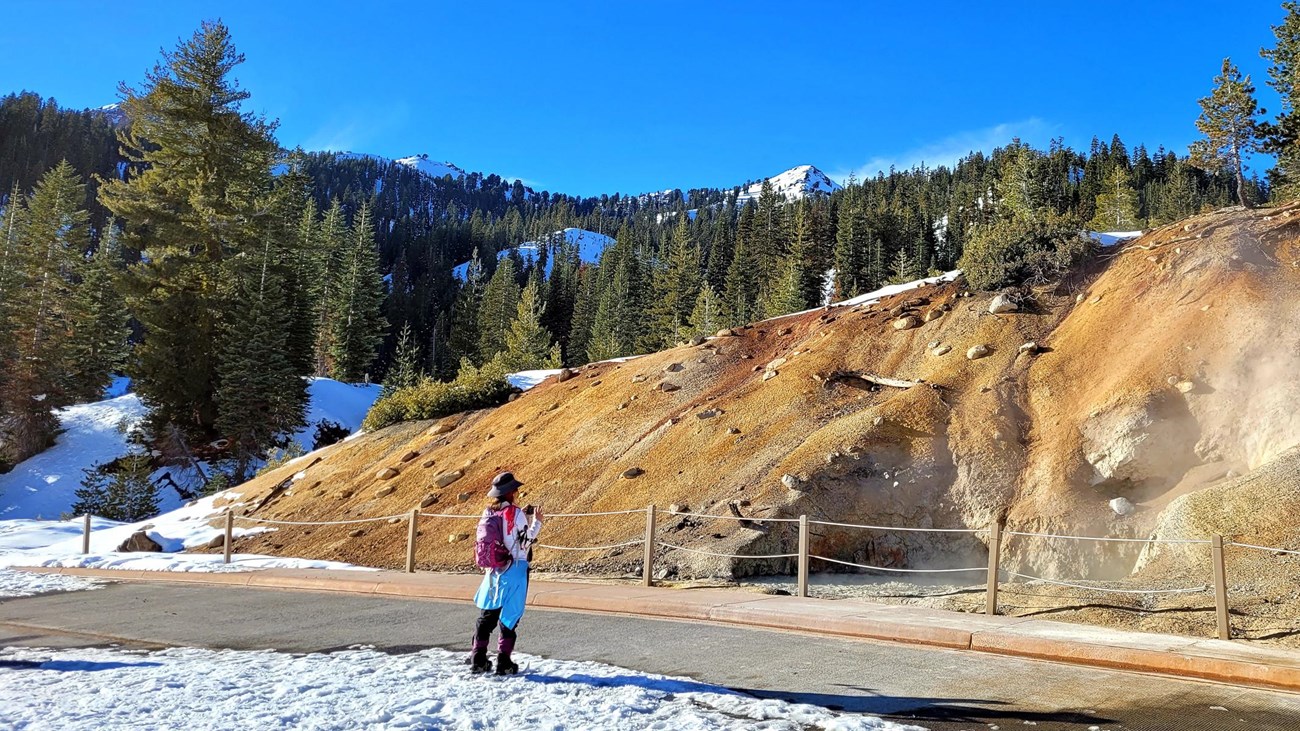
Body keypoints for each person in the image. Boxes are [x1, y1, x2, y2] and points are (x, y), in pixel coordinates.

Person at [469, 471, 542, 675]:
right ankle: (504, 662)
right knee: (510, 617)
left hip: (494, 570)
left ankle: (478, 659)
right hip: (515, 568)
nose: (517, 492)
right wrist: (537, 522)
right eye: (515, 489)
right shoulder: (515, 513)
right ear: (510, 492)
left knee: (487, 615)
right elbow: (524, 542)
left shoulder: (488, 512)